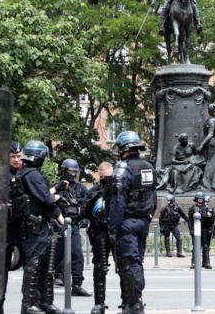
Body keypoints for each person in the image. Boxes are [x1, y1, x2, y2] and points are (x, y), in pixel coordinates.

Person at [109, 131, 157, 314]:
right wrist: (148, 217)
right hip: (142, 222)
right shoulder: (149, 167)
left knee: (129, 263)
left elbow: (118, 201)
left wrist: (113, 228)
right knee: (135, 262)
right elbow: (153, 196)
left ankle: (135, 304)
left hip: (126, 222)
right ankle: (130, 303)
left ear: (123, 149)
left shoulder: (123, 168)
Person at [18, 140, 67, 314]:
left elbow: (43, 199)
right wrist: (58, 197)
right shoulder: (33, 175)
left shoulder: (26, 174)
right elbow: (46, 199)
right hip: (35, 226)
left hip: (38, 225)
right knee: (35, 264)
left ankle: (45, 302)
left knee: (46, 265)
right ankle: (29, 304)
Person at [0, 141, 26, 314]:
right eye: (13, 157)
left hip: (24, 225)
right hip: (3, 227)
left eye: (19, 156)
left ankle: (29, 303)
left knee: (31, 266)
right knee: (1, 269)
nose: (17, 160)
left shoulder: (28, 172)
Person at [51, 158, 91, 297]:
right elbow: (48, 202)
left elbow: (87, 205)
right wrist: (58, 187)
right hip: (59, 225)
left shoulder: (81, 187)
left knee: (77, 255)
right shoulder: (58, 186)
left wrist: (85, 218)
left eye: (75, 172)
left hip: (73, 225)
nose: (73, 174)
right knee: (55, 255)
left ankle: (77, 285)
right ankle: (48, 279)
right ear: (63, 171)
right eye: (70, 171)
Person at [82, 162, 114, 314]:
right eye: (101, 177)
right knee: (100, 268)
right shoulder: (94, 190)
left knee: (124, 267)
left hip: (116, 232)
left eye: (107, 177)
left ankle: (128, 303)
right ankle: (99, 303)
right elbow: (84, 211)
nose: (104, 180)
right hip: (99, 232)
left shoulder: (119, 190)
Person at [188, 192, 214, 269]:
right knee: (196, 246)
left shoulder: (207, 208)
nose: (200, 200)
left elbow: (212, 221)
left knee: (205, 246)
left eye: (201, 199)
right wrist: (191, 229)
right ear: (196, 199)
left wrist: (210, 229)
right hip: (196, 229)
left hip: (205, 229)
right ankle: (194, 262)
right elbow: (189, 220)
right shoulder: (192, 208)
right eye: (199, 198)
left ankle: (206, 262)